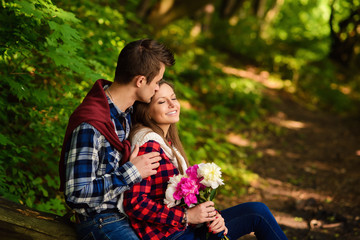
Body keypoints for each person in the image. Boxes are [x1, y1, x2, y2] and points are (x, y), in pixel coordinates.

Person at [123, 80, 288, 240]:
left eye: (173, 98)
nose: (172, 104)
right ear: (147, 111)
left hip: (186, 229)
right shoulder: (149, 146)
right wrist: (186, 216)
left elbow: (180, 199)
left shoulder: (167, 145)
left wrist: (212, 217)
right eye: (162, 102)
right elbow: (135, 203)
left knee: (256, 212)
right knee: (257, 213)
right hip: (172, 235)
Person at [59, 39, 176, 240]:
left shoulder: (127, 113)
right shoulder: (91, 125)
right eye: (157, 82)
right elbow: (76, 194)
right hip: (101, 220)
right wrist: (132, 172)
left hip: (128, 213)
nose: (157, 88)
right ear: (140, 81)